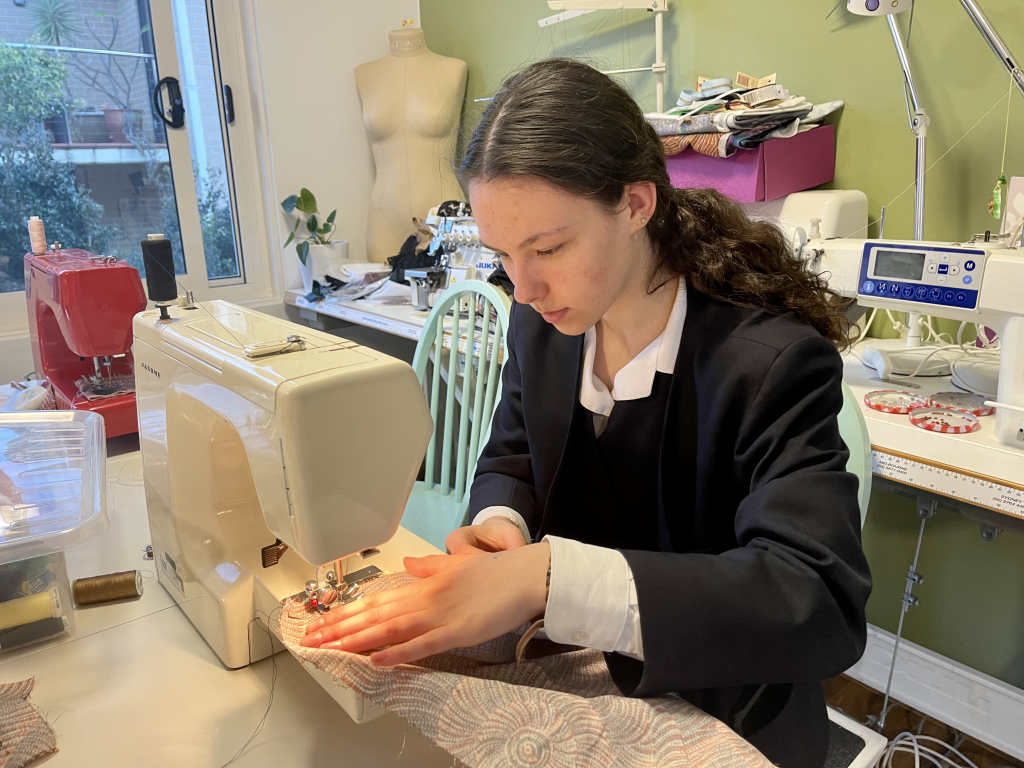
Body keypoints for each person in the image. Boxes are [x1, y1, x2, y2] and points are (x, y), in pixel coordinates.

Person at [303, 58, 872, 767]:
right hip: (587, 678)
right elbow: (512, 451)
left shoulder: (768, 365)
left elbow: (817, 601)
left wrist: (548, 578)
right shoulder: (544, 325)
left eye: (548, 248)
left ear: (636, 205)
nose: (527, 285)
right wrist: (498, 528)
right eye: (504, 255)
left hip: (726, 709)